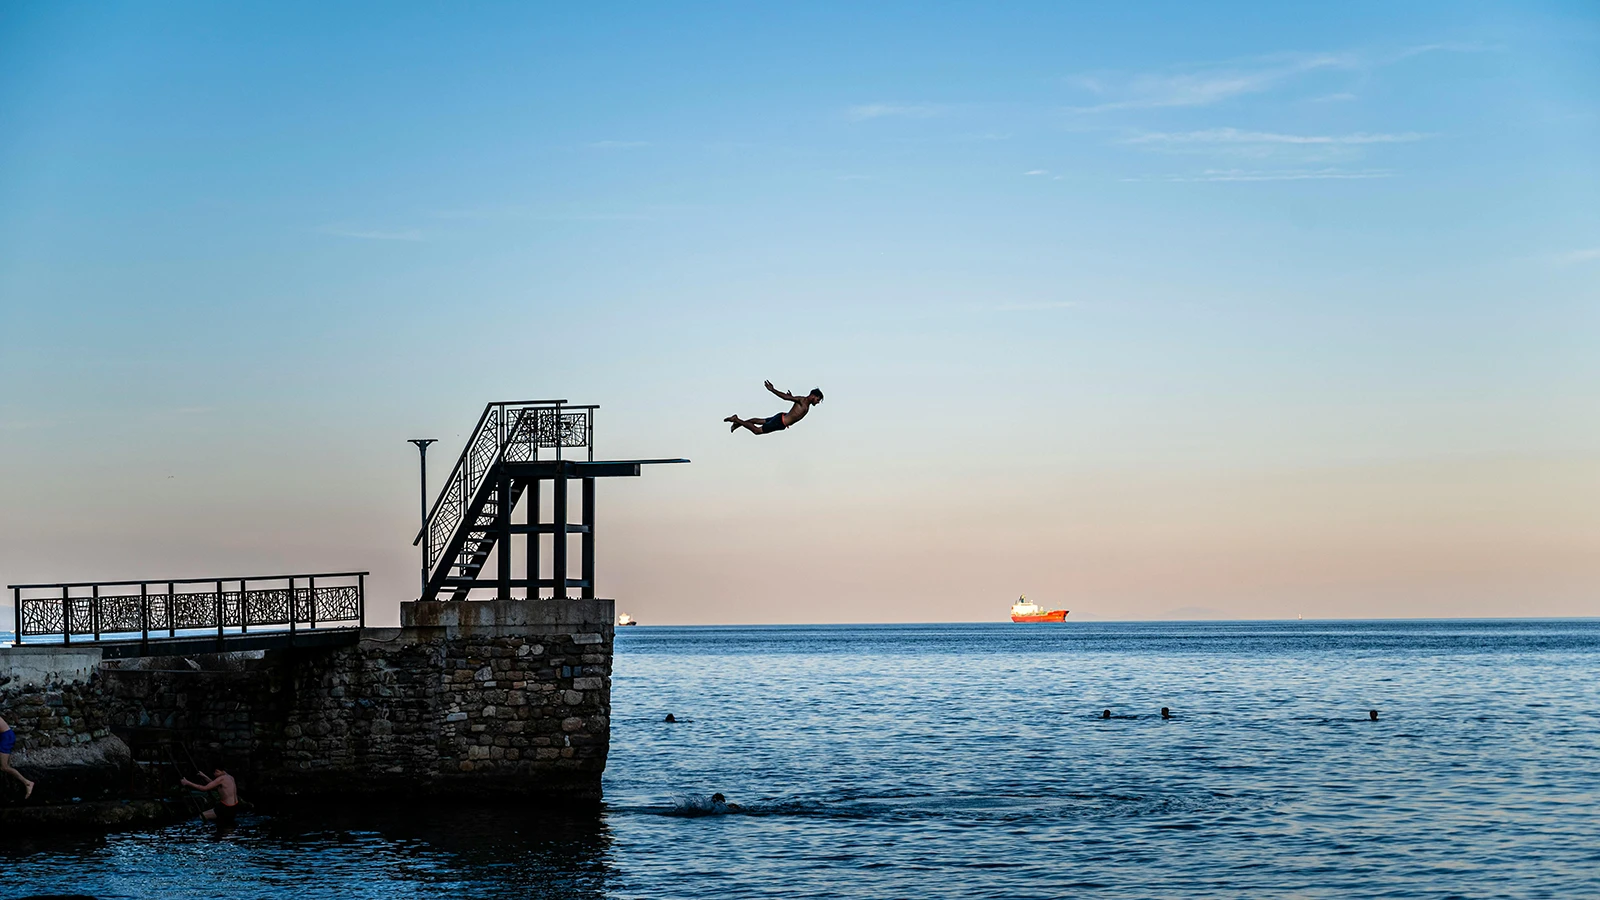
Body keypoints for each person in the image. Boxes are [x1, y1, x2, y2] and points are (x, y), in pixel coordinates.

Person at [726, 381, 823, 435]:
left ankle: (738, 424)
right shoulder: (803, 401)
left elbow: (794, 407)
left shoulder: (804, 402)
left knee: (759, 421)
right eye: (818, 400)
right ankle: (736, 419)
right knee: (757, 431)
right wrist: (773, 390)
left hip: (781, 418)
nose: (817, 402)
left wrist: (792, 397)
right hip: (780, 422)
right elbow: (785, 397)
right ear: (814, 396)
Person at [0, 715, 34, 800]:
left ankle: (27, 783)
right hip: (6, 737)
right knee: (6, 766)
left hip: (6, 738)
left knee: (4, 767)